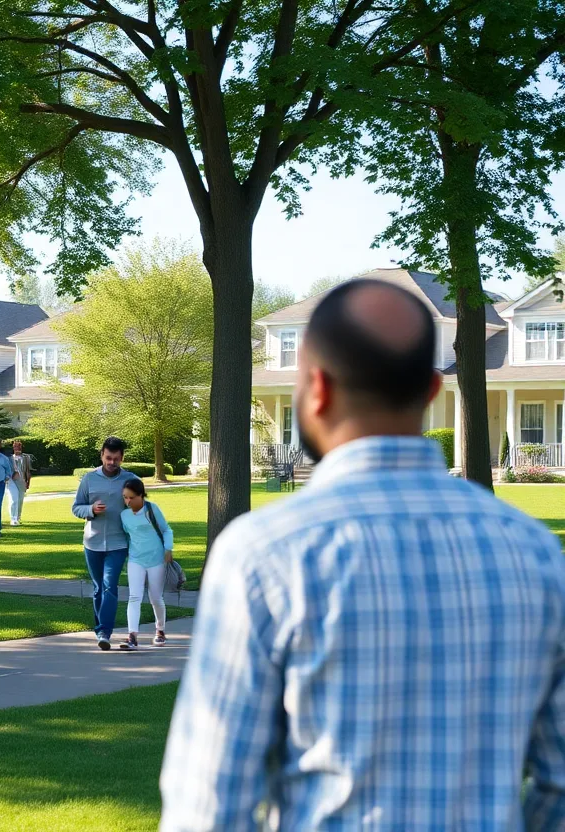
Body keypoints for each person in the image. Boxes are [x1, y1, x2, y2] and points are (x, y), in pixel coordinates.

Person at [160, 280, 565, 830]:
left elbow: (208, 803)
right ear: (428, 390)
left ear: (317, 388)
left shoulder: (264, 556)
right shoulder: (536, 554)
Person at [72, 436, 140, 650]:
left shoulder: (130, 480)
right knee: (98, 588)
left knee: (110, 586)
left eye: (116, 459)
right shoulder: (89, 480)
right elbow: (76, 507)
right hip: (92, 542)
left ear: (122, 458)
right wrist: (91, 510)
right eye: (108, 458)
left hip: (118, 543)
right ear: (102, 455)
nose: (112, 463)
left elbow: (141, 508)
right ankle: (101, 629)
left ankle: (104, 632)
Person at [118, 479, 173, 649]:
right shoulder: (124, 515)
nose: (128, 502)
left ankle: (160, 631)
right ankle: (132, 636)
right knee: (134, 596)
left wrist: (168, 549)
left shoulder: (152, 509)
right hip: (135, 560)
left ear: (141, 495)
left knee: (156, 597)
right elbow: (128, 535)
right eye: (125, 498)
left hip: (157, 560)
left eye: (131, 498)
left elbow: (166, 530)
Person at [6, 439, 32, 526]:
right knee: (14, 499)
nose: (18, 448)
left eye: (19, 446)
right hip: (12, 481)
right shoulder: (9, 458)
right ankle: (13, 518)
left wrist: (28, 482)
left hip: (22, 481)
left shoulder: (26, 458)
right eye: (16, 446)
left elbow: (28, 470)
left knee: (20, 500)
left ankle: (18, 517)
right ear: (13, 447)